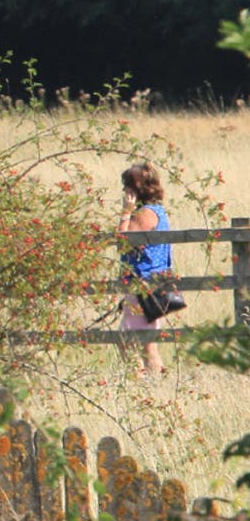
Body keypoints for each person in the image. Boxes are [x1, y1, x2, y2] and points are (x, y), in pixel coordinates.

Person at [116, 161, 172, 375]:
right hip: (149, 283)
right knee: (143, 339)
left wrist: (126, 211)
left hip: (145, 283)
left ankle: (141, 383)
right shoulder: (156, 210)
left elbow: (123, 240)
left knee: (130, 338)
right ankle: (148, 382)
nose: (124, 190)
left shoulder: (147, 213)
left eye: (128, 185)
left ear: (138, 188)